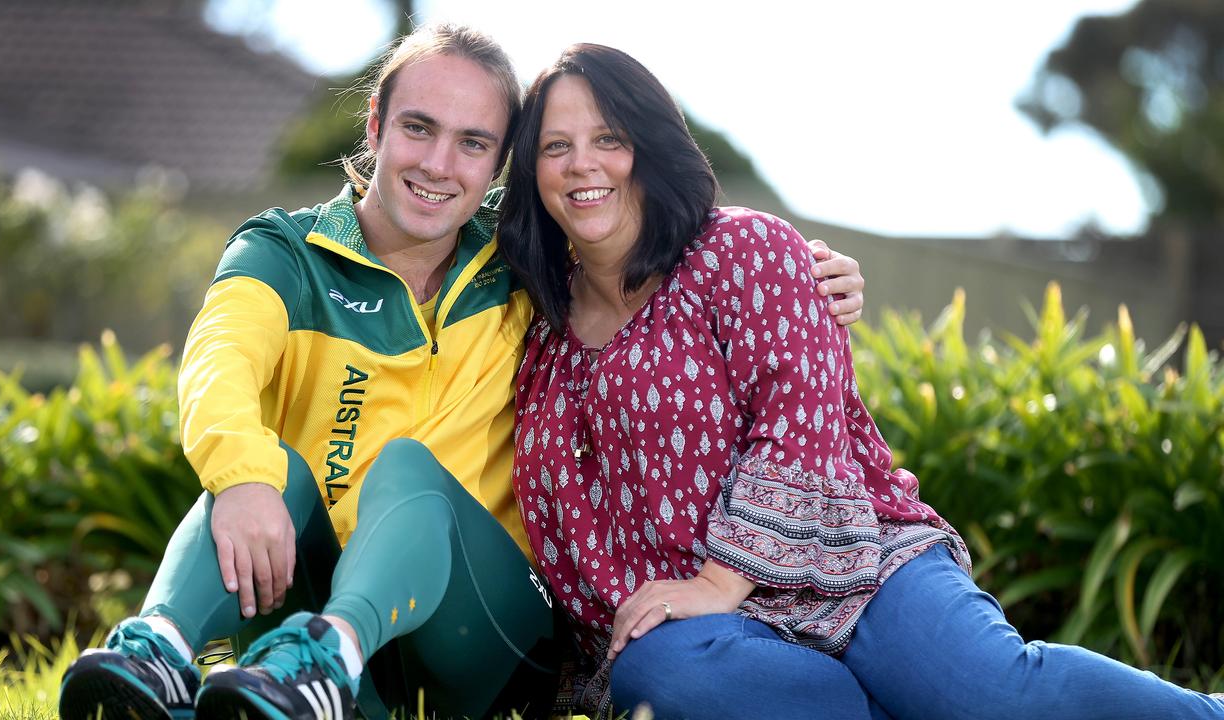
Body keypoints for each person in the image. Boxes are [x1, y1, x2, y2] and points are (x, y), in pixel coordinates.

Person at [57, 24, 868, 720]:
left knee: (408, 467)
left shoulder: (522, 261)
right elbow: (219, 361)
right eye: (418, 127)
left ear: (498, 164)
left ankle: (325, 659)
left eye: (474, 143)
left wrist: (807, 272)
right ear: (375, 125)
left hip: (484, 636)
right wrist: (241, 479)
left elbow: (662, 246)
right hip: (306, 636)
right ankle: (157, 652)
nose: (440, 164)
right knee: (272, 472)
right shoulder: (282, 253)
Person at [499, 43, 1224, 720]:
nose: (581, 165)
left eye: (609, 139)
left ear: (649, 147)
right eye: (555, 147)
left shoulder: (741, 251)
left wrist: (720, 581)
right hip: (706, 633)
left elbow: (799, 427)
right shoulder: (538, 325)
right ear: (532, 170)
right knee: (662, 675)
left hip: (856, 569)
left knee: (991, 692)